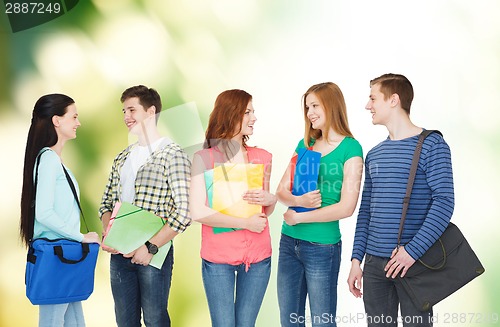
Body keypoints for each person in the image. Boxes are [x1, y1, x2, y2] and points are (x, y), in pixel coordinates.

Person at [347, 73, 455, 327]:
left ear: (393, 100)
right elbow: (366, 212)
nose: (367, 105)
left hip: (413, 264)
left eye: (373, 98)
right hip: (374, 267)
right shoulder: (374, 155)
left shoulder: (432, 145)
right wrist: (356, 260)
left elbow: (444, 202)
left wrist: (412, 252)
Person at [99, 85, 191, 326]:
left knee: (155, 319)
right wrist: (110, 236)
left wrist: (149, 248)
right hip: (120, 255)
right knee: (124, 320)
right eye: (123, 111)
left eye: (132, 110)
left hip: (153, 254)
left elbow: (184, 212)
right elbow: (106, 203)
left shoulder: (172, 155)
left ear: (150, 112)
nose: (126, 117)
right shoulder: (122, 157)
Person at [276, 82, 363, 327]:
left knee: (323, 322)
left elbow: (347, 207)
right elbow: (281, 189)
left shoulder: (351, 149)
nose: (309, 112)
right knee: (289, 321)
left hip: (322, 247)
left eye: (315, 105)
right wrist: (297, 201)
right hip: (288, 243)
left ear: (331, 105)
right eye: (307, 107)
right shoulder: (305, 144)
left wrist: (300, 216)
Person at [189, 89, 277, 327]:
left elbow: (264, 211)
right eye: (247, 112)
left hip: (258, 256)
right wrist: (244, 223)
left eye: (253, 112)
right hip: (218, 257)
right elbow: (197, 211)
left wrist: (271, 199)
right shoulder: (203, 158)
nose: (254, 118)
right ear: (230, 115)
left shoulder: (262, 157)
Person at [20, 94, 100, 327]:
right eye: (74, 116)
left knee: (75, 323)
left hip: (63, 257)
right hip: (57, 256)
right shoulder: (48, 160)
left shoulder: (54, 159)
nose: (78, 122)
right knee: (53, 322)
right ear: (57, 120)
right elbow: (43, 213)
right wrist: (81, 237)